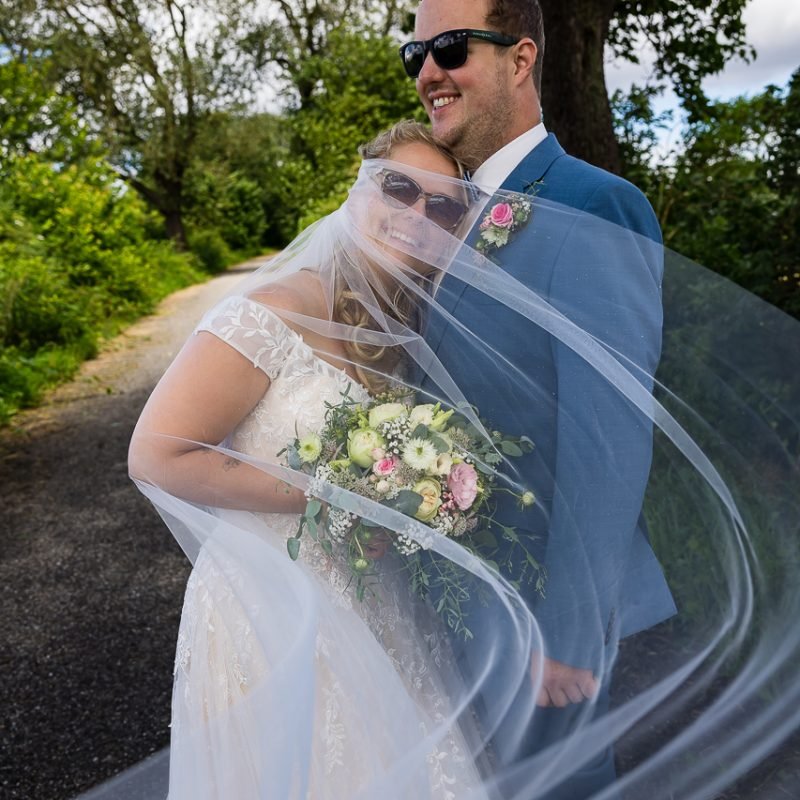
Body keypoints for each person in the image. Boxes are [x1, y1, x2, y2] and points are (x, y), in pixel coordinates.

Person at [402, 0, 676, 795]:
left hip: (540, 622)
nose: (427, 71)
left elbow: (609, 435)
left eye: (450, 47)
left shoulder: (594, 203)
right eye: (414, 51)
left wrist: (570, 629)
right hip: (458, 608)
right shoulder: (440, 208)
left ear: (521, 60)